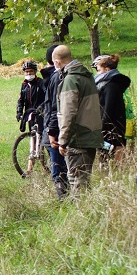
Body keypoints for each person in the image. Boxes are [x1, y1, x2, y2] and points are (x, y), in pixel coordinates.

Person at [50, 45, 103, 195]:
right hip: (91, 134)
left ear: (57, 62)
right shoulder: (86, 76)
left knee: (77, 182)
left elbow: (68, 113)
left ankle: (83, 209)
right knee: (84, 180)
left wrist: (63, 141)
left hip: (78, 138)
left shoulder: (70, 80)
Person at [41, 44, 69, 198]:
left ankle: (64, 199)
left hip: (55, 130)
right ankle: (65, 199)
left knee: (59, 169)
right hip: (59, 129)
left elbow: (53, 107)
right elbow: (53, 106)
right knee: (61, 168)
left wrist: (51, 131)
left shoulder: (55, 77)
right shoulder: (59, 76)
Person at [92, 54, 131, 160]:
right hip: (110, 127)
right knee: (105, 158)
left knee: (110, 159)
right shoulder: (107, 84)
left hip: (111, 128)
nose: (97, 74)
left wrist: (101, 127)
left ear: (106, 69)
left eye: (99, 70)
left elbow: (108, 109)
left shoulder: (111, 86)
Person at [16, 60, 46, 135]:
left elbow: (47, 97)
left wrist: (42, 107)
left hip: (41, 113)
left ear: (35, 72)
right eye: (26, 71)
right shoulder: (24, 84)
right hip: (29, 113)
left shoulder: (41, 82)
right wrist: (19, 112)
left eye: (31, 71)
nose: (29, 73)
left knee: (41, 134)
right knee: (32, 134)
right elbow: (21, 100)